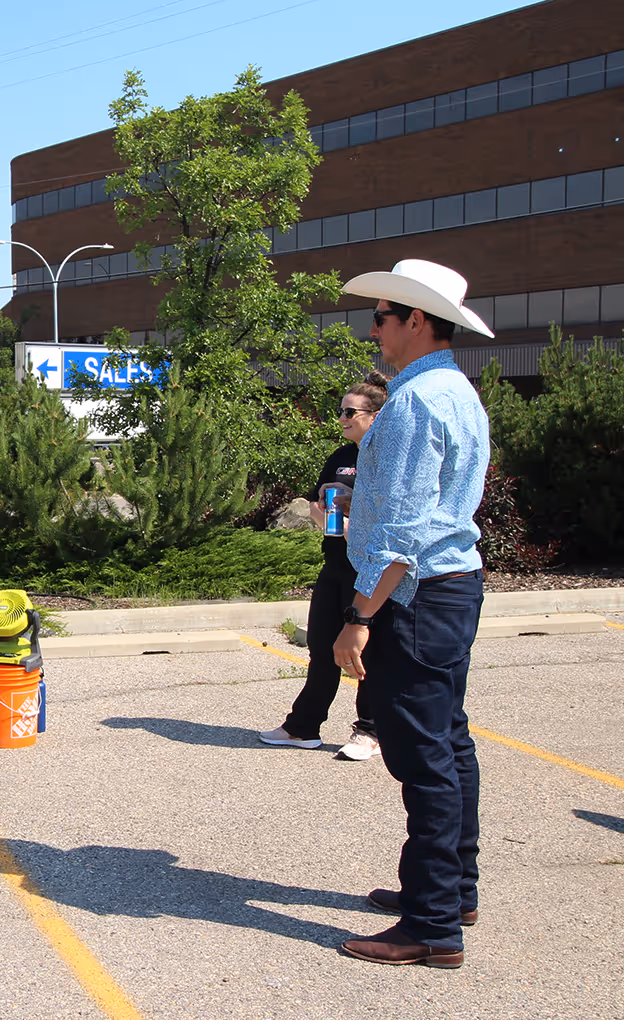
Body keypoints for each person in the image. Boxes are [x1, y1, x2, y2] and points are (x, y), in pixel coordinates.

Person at [332, 259, 493, 969]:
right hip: (451, 586)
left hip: (413, 594)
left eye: (382, 317)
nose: (374, 329)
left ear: (415, 322)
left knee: (422, 754)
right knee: (449, 740)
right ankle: (451, 890)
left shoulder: (414, 404)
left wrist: (359, 613)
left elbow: (403, 527)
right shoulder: (455, 391)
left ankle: (432, 926)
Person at [258, 372, 389, 761]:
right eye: (340, 411)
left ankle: (369, 730)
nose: (343, 417)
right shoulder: (341, 457)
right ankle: (303, 727)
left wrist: (354, 531)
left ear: (376, 415)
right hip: (335, 565)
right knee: (321, 648)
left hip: (371, 571)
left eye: (351, 411)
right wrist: (330, 522)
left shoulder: (387, 459)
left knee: (368, 654)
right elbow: (321, 504)